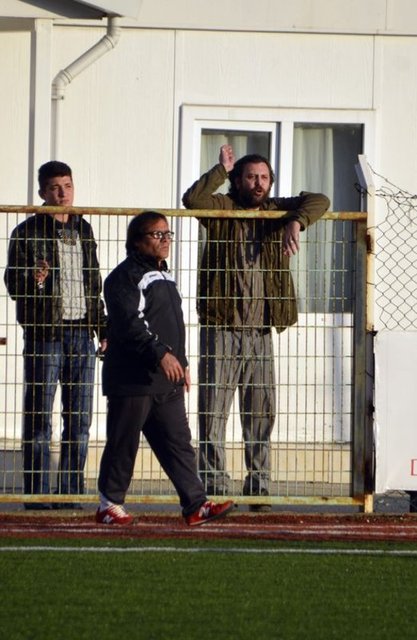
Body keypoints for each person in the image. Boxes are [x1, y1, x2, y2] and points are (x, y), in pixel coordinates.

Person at [182, 144, 330, 511]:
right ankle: (215, 485)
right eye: (250, 177)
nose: (258, 183)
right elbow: (192, 199)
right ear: (237, 181)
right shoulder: (221, 209)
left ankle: (259, 486)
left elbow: (320, 200)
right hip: (222, 328)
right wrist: (220, 170)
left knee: (261, 413)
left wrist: (296, 221)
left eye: (264, 177)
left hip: (261, 330)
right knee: (213, 412)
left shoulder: (278, 210)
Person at [96, 211, 235, 526]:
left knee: (178, 443)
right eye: (156, 234)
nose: (165, 240)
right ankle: (109, 504)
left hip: (165, 380)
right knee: (124, 442)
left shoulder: (165, 276)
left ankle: (195, 504)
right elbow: (131, 324)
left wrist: (180, 362)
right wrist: (161, 354)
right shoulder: (124, 277)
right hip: (133, 378)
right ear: (137, 241)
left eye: (167, 234)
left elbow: (172, 326)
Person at [4, 161, 107, 509]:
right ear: (42, 193)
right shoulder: (27, 231)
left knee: (79, 420)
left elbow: (93, 284)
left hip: (81, 334)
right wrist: (35, 278)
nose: (63, 194)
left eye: (67, 186)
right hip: (45, 335)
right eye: (54, 188)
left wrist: (102, 327)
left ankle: (70, 494)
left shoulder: (83, 228)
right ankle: (37, 495)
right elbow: (13, 284)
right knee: (39, 419)